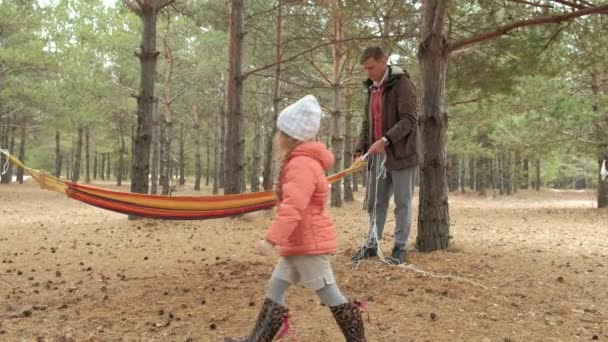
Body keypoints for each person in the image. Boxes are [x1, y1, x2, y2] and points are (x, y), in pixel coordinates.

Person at [225, 95, 366, 342]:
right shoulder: (303, 162)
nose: (278, 137)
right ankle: (256, 340)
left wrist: (270, 240)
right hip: (299, 242)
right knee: (276, 286)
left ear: (290, 136)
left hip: (307, 245)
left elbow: (293, 207)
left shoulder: (300, 164)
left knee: (329, 292)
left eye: (281, 132)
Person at [351, 46, 419, 265]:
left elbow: (409, 120)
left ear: (384, 62)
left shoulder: (403, 84)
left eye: (371, 67)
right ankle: (372, 244)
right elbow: (366, 121)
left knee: (402, 203)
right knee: (375, 202)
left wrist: (386, 140)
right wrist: (361, 149)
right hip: (377, 158)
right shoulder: (371, 89)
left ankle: (400, 248)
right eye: (365, 69)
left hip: (401, 155)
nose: (368, 73)